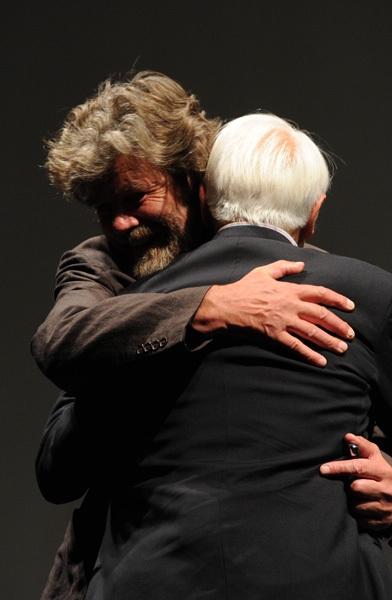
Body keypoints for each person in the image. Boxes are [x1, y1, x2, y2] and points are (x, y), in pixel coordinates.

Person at [31, 72, 392, 598]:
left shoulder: (304, 287)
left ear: (194, 184)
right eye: (102, 208)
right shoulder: (106, 271)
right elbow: (62, 344)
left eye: (135, 197)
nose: (119, 224)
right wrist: (207, 308)